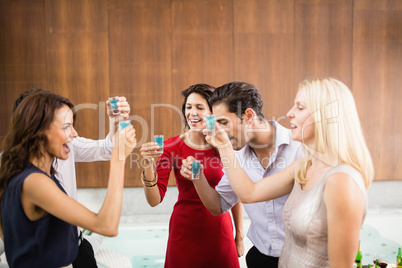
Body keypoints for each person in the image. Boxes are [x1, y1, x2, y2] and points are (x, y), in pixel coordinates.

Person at [192, 78, 374, 267]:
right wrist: (214, 158)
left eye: (300, 107)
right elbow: (249, 194)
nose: (289, 114)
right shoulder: (303, 165)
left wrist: (223, 147)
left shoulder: (339, 179)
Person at [0, 90, 136, 267]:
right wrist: (119, 158)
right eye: (66, 126)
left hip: (75, 250)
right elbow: (107, 226)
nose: (75, 134)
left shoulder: (23, 173)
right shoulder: (34, 182)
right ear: (38, 130)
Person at [180, 81, 302, 268]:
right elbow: (218, 206)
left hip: (301, 259)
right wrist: (197, 178)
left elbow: (249, 194)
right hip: (261, 258)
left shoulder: (300, 150)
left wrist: (223, 147)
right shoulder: (236, 155)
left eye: (223, 122)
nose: (219, 130)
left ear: (249, 115)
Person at [140, 83, 243, 268]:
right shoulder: (171, 147)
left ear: (213, 113)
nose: (192, 113)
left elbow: (236, 191)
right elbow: (154, 200)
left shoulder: (224, 145)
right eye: (188, 107)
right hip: (184, 233)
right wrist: (148, 166)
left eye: (199, 107)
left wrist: (239, 235)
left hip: (220, 231)